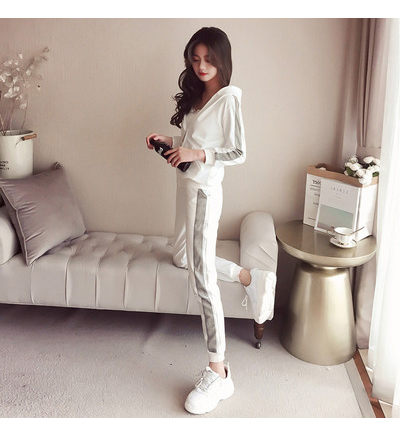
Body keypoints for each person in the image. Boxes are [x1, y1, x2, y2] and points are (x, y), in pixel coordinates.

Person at [146, 26, 275, 415]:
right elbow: (192, 143)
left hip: (203, 192)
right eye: (195, 58)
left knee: (202, 278)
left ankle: (218, 371)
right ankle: (250, 277)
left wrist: (197, 155)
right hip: (185, 185)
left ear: (222, 60)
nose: (201, 66)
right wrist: (171, 144)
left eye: (208, 59)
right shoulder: (197, 96)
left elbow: (238, 152)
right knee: (183, 258)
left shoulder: (228, 98)